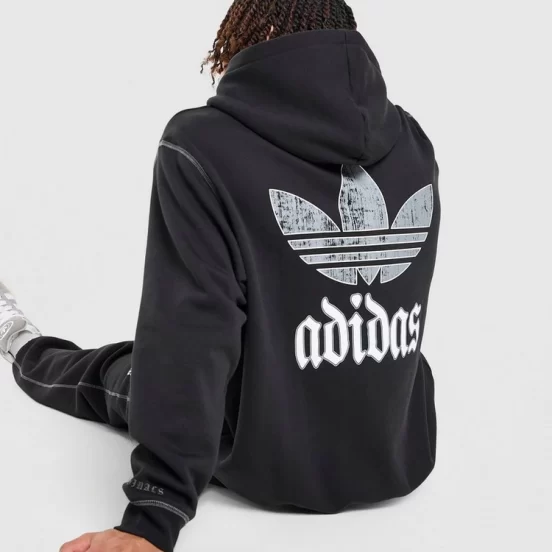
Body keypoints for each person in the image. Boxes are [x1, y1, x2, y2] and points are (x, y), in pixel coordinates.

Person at [0, 1, 441, 551]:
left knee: (120, 372)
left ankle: (18, 340)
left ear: (254, 33)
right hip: (397, 454)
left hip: (268, 459)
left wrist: (154, 514)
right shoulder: (412, 141)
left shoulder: (202, 145)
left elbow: (191, 332)